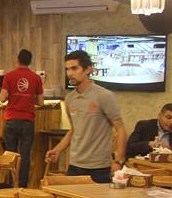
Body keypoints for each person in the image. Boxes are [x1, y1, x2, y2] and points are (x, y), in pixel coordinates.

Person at [46, 50, 127, 183]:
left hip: (99, 168)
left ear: (88, 69)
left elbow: (121, 129)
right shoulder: (70, 99)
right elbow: (74, 130)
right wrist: (57, 150)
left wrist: (118, 161)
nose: (69, 73)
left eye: (74, 68)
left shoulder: (104, 96)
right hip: (74, 165)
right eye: (67, 69)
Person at [0, 49, 44, 187]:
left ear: (17, 60)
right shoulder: (36, 78)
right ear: (30, 62)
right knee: (25, 156)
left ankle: (10, 185)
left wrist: (11, 96)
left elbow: (2, 98)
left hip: (11, 120)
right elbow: (41, 102)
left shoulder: (9, 76)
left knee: (10, 154)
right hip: (28, 121)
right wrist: (29, 99)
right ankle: (23, 187)